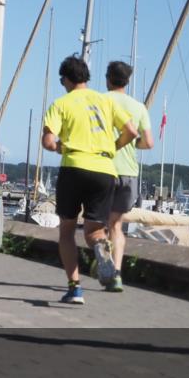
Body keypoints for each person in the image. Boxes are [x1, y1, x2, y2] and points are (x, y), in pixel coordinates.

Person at [42, 56, 137, 305]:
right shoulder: (105, 101)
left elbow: (48, 141)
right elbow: (132, 132)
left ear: (66, 79)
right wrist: (113, 147)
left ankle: (75, 289)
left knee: (67, 231)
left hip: (74, 167)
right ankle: (103, 254)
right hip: (105, 170)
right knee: (95, 231)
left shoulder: (61, 103)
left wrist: (60, 147)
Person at [103, 61, 154, 293]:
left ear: (108, 78)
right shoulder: (139, 107)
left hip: (104, 168)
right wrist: (132, 145)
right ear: (128, 81)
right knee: (117, 225)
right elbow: (149, 142)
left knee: (98, 224)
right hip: (129, 173)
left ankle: (103, 262)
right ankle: (117, 272)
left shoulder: (102, 101)